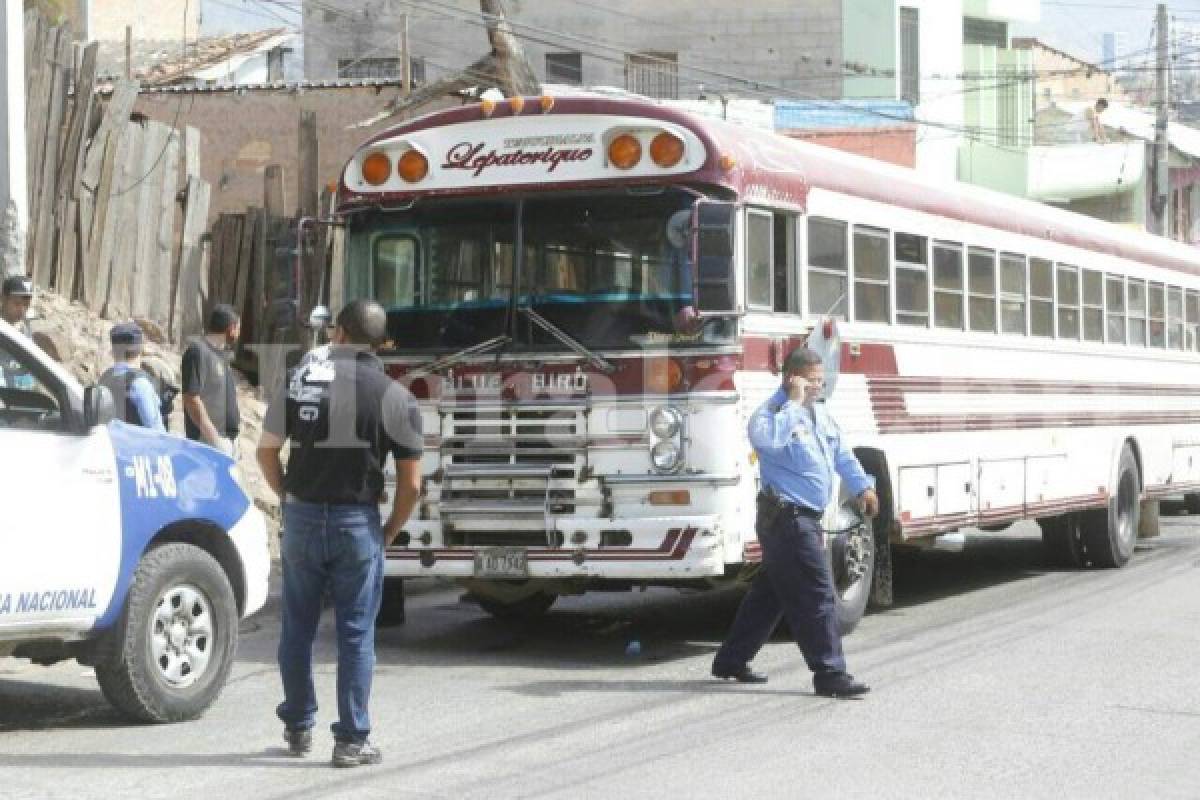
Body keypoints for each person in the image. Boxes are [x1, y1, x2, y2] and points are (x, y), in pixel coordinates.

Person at [257, 299, 423, 768]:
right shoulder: (397, 397)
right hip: (357, 526)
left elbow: (266, 453)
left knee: (298, 627)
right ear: (381, 343)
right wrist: (390, 530)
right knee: (355, 634)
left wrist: (288, 494)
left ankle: (297, 725)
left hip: (303, 520)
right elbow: (411, 483)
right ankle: (351, 739)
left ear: (340, 335)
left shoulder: (300, 384)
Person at [711, 346, 879, 698]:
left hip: (806, 518)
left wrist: (863, 486)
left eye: (821, 381)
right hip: (786, 519)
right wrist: (792, 402)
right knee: (817, 594)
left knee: (770, 595)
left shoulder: (820, 414)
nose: (818, 387)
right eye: (812, 381)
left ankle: (731, 660)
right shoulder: (771, 414)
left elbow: (841, 453)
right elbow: (767, 441)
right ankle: (830, 674)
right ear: (793, 378)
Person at [182, 304, 241, 455]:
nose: (239, 333)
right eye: (238, 327)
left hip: (226, 442)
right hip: (207, 444)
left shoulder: (222, 355)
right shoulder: (198, 352)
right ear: (231, 328)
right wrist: (215, 440)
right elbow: (191, 399)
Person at [97, 322, 166, 431]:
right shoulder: (141, 384)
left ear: (114, 351)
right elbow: (157, 432)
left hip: (109, 445)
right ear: (140, 349)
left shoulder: (104, 378)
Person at [0, 276, 36, 389]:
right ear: (3, 299)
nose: (22, 310)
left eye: (26, 305)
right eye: (17, 304)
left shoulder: (25, 328)